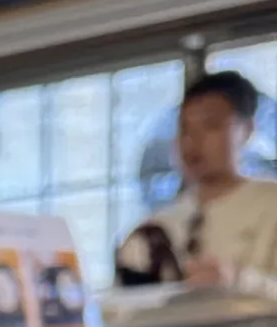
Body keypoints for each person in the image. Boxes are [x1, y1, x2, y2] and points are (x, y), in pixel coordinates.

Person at [117, 71, 277, 291]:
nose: (194, 140)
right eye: (185, 128)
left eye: (211, 125)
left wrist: (237, 281)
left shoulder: (270, 203)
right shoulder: (158, 225)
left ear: (247, 130)